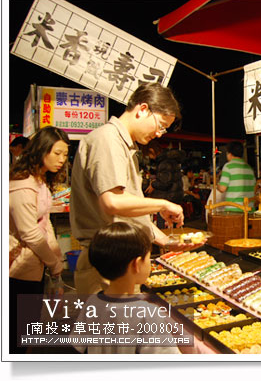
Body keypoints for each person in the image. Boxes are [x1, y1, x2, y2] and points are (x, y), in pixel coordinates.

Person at [70, 83, 189, 295]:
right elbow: (113, 202)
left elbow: (129, 205)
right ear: (143, 109)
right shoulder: (108, 139)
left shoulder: (124, 144)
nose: (160, 134)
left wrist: (164, 240)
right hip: (108, 263)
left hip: (120, 260)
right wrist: (161, 203)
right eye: (161, 125)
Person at [71, 222, 197, 354]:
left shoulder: (92, 302)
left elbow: (77, 345)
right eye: (148, 257)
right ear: (136, 265)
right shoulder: (148, 313)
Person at [9, 126, 69, 353]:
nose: (62, 160)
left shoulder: (40, 180)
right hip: (17, 268)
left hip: (34, 265)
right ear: (41, 150)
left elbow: (45, 222)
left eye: (65, 154)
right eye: (57, 153)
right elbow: (30, 233)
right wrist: (54, 263)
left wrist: (55, 255)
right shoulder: (22, 185)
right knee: (16, 332)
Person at [216, 141, 256, 212]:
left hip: (234, 209)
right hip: (249, 209)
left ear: (229, 153)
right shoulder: (249, 168)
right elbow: (254, 188)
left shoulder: (228, 166)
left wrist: (217, 185)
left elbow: (222, 189)